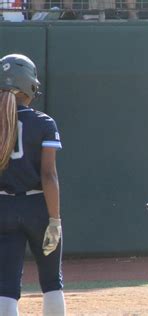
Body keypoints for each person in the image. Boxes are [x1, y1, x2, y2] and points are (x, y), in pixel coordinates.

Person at [0, 54, 65, 316]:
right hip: (38, 206)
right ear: (28, 84)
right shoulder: (43, 122)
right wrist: (55, 219)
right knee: (51, 283)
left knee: (6, 288)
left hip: (3, 206)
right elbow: (48, 175)